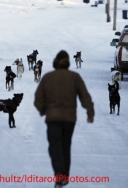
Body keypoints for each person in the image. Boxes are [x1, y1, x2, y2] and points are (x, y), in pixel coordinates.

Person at [34, 50, 94, 188]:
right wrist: (90, 113)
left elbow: (38, 98)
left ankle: (59, 175)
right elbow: (85, 96)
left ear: (56, 62)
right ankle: (64, 176)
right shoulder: (75, 77)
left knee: (55, 147)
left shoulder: (48, 77)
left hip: (52, 119)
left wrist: (43, 111)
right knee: (65, 146)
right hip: (69, 120)